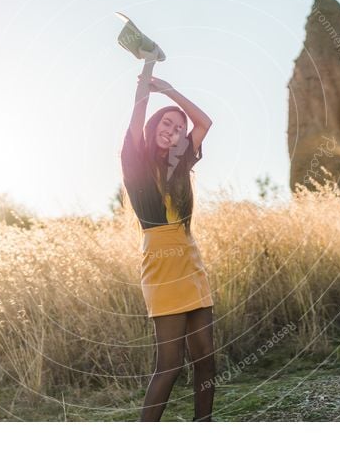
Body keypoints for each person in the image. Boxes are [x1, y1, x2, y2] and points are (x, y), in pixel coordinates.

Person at [120, 47, 216, 422]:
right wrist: (148, 68)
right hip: (160, 267)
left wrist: (172, 92)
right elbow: (137, 114)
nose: (174, 131)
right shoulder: (135, 161)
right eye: (167, 124)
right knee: (171, 364)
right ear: (153, 126)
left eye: (178, 128)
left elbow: (204, 122)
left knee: (206, 359)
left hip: (191, 264)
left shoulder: (181, 164)